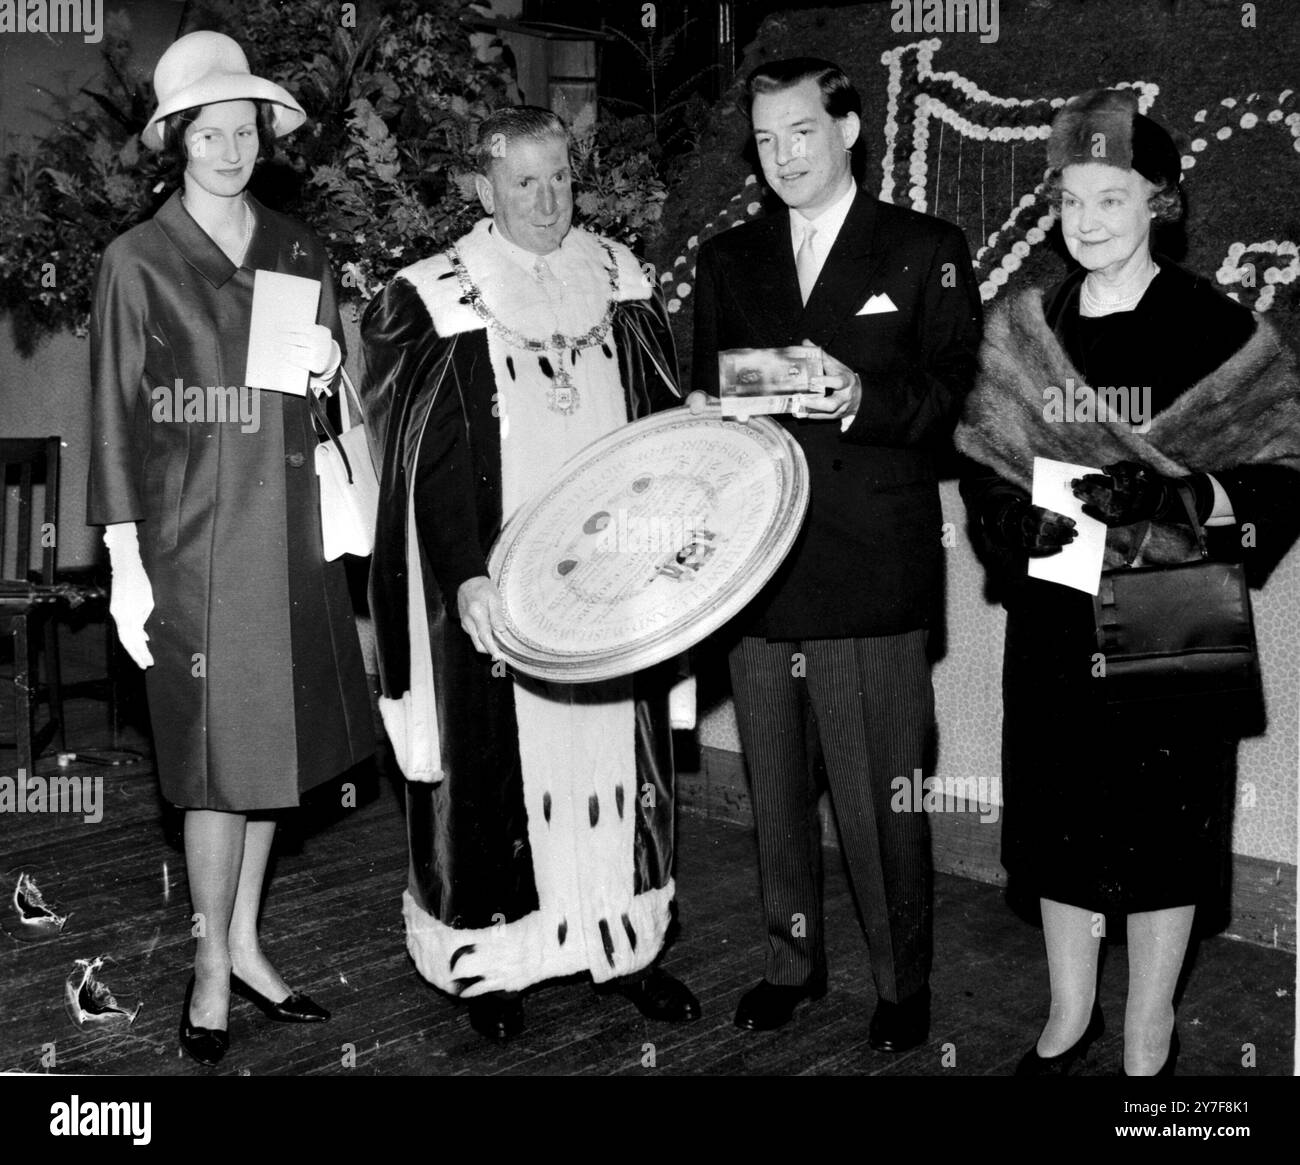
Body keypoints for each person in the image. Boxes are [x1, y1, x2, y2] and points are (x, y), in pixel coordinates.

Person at [956, 88, 1300, 1076]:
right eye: (1071, 201)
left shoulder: (1217, 329)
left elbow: (1278, 472)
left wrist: (1175, 504)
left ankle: (1148, 1028)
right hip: (1057, 612)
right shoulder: (1025, 326)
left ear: (1159, 201)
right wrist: (1008, 520)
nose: (1089, 220)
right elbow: (986, 458)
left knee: (1163, 835)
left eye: (1111, 197)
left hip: (1174, 605)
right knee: (1059, 818)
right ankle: (1069, 1014)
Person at [360, 106, 699, 1043]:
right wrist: (465, 577)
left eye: (561, 180)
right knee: (490, 772)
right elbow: (422, 463)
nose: (547, 201)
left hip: (612, 579)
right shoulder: (432, 298)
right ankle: (497, 963)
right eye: (524, 184)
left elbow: (663, 423)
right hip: (496, 591)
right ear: (483, 189)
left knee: (618, 760)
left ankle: (624, 949)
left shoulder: (621, 281)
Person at [87, 31, 374, 1068]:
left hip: (290, 535)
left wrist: (337, 364)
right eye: (208, 131)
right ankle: (207, 964)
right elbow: (116, 414)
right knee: (213, 769)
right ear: (177, 141)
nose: (228, 147)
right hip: (193, 547)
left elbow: (335, 404)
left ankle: (248, 943)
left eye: (243, 130)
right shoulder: (137, 261)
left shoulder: (300, 247)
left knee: (272, 761)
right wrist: (122, 557)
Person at [688, 58, 983, 1049]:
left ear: (850, 129)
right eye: (765, 140)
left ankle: (903, 987)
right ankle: (791, 964)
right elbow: (707, 400)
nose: (782, 157)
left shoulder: (924, 247)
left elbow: (953, 398)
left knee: (879, 804)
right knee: (775, 795)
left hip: (869, 570)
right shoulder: (728, 260)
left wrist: (860, 395)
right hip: (757, 569)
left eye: (801, 132)